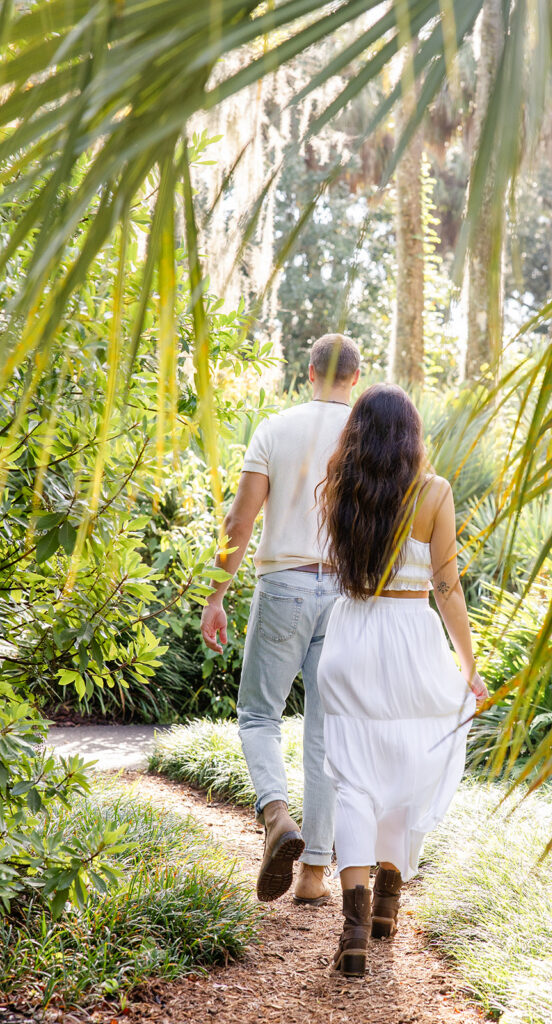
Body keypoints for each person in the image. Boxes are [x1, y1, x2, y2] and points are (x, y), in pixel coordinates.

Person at [316, 383, 488, 977]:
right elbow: (446, 588)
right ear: (412, 433)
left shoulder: (342, 488)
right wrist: (469, 665)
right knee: (409, 765)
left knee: (355, 780)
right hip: (411, 636)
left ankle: (357, 928)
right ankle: (387, 903)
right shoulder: (435, 492)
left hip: (352, 637)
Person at [201, 334, 360, 905]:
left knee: (257, 714)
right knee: (324, 730)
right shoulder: (365, 435)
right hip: (347, 591)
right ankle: (315, 873)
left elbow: (239, 524)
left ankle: (275, 816)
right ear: (355, 380)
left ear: (309, 372)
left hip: (283, 585)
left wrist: (215, 596)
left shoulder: (275, 427)